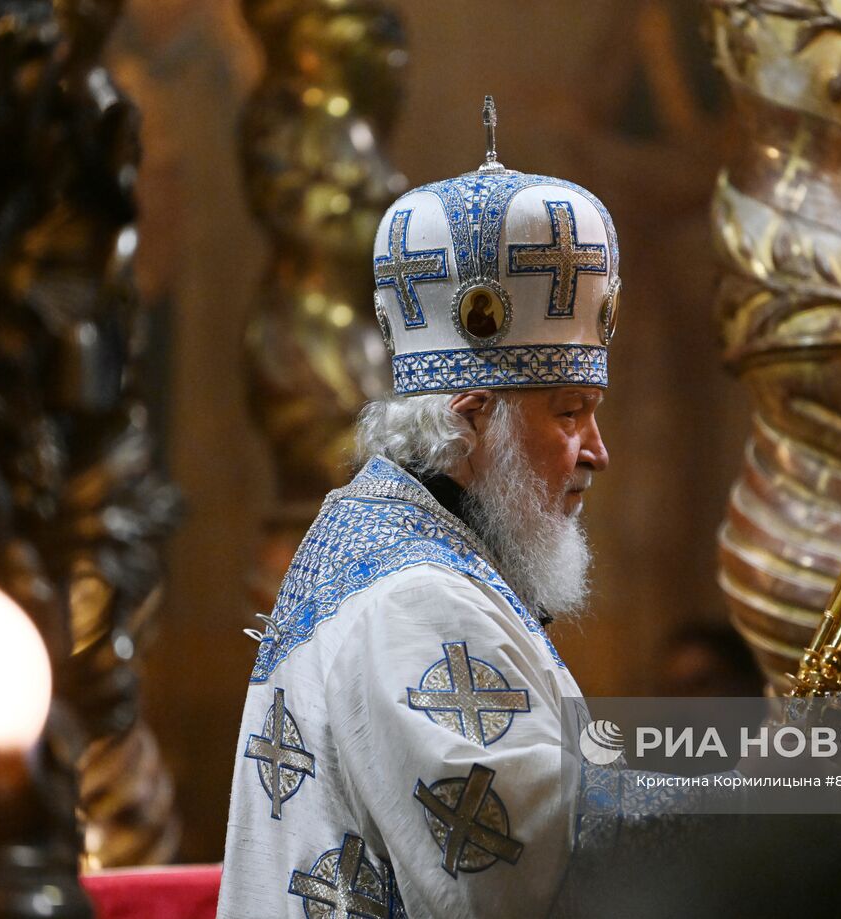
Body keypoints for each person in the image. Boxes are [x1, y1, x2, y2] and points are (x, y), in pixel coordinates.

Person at [216, 102, 629, 918]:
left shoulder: (399, 546)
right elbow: (518, 854)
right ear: (474, 418)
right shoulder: (412, 597)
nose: (596, 449)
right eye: (571, 411)